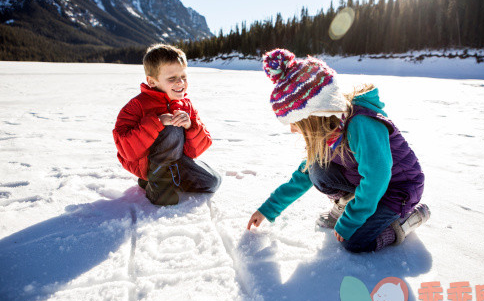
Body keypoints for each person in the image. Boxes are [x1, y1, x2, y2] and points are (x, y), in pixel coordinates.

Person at [247, 49, 430, 252]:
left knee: (355, 241)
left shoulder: (361, 124)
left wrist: (351, 221)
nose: (291, 129)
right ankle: (349, 206)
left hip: (398, 189)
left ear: (314, 115)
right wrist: (268, 209)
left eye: (295, 122)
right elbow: (303, 176)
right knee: (316, 169)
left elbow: (377, 177)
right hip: (366, 183)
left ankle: (407, 220)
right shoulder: (327, 131)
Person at [113, 44, 221, 205]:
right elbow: (126, 150)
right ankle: (157, 184)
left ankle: (164, 179)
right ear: (152, 81)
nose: (180, 83)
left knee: (212, 182)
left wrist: (190, 126)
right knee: (172, 128)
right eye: (172, 78)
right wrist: (156, 122)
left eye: (183, 77)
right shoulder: (137, 105)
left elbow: (195, 150)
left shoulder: (186, 105)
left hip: (175, 162)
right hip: (146, 163)